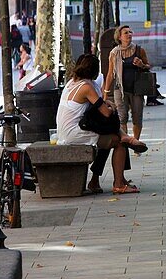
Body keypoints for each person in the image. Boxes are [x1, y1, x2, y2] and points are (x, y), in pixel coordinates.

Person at [56, 53, 148, 195]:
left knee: (107, 138)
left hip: (67, 130)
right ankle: (118, 183)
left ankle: (95, 181)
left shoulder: (72, 83)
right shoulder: (86, 87)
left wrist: (108, 104)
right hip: (73, 133)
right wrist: (112, 107)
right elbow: (105, 112)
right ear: (94, 70)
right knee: (117, 142)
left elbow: (99, 105)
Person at [105, 26, 151, 142]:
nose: (129, 34)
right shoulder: (114, 53)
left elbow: (148, 66)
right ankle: (125, 143)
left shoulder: (139, 50)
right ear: (119, 37)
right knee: (122, 117)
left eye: (130, 32)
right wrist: (105, 92)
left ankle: (136, 142)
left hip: (137, 89)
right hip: (119, 89)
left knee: (137, 118)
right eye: (126, 33)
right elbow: (110, 74)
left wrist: (141, 64)